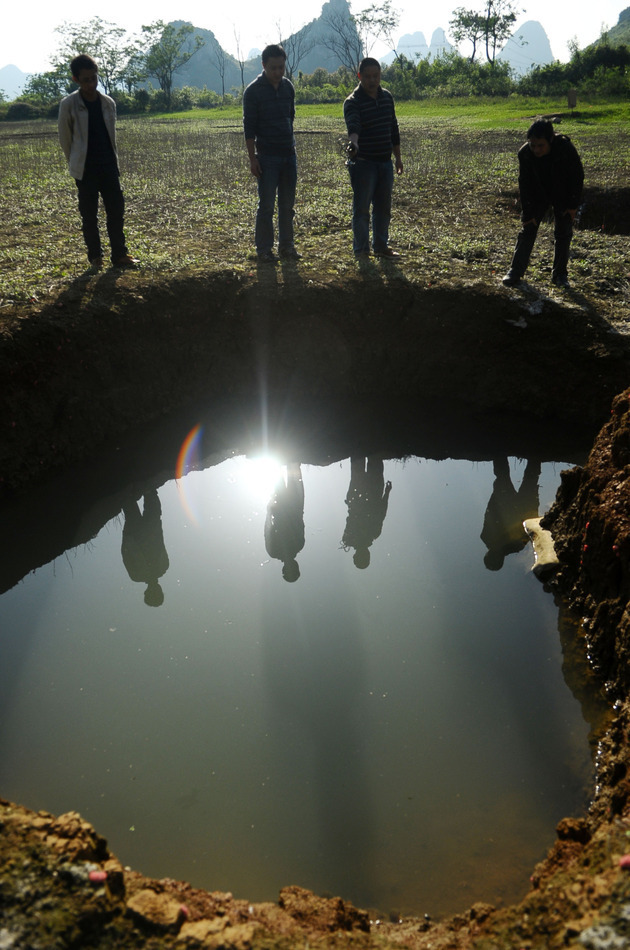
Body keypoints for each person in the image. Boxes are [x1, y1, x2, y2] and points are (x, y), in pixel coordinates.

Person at [58, 53, 137, 272]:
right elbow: (65, 140)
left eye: (94, 78)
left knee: (116, 211)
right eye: (86, 80)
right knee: (89, 215)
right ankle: (96, 257)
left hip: (109, 166)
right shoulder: (69, 105)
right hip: (85, 170)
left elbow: (111, 136)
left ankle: (119, 254)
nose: (91, 84)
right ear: (76, 80)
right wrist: (75, 164)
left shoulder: (108, 103)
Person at [502, 118, 584, 289]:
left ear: (551, 140)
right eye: (533, 145)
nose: (536, 149)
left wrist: (572, 205)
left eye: (541, 145)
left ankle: (560, 275)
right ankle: (515, 271)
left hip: (562, 193)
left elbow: (577, 176)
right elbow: (524, 183)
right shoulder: (525, 154)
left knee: (563, 232)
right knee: (528, 229)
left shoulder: (565, 149)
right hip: (538, 193)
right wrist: (527, 212)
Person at [243, 44, 300, 264]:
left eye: (281, 67)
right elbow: (249, 128)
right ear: (264, 65)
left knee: (287, 206)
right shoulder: (253, 91)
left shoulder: (288, 88)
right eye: (274, 68)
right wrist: (252, 159)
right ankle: (264, 251)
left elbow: (290, 118)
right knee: (266, 206)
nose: (278, 72)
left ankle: (287, 248)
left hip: (289, 155)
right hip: (267, 157)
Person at [343, 58, 403, 259]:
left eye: (375, 76)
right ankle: (361, 250)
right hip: (364, 164)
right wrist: (354, 144)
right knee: (361, 209)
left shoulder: (387, 97)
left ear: (380, 76)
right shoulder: (352, 102)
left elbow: (393, 128)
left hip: (385, 162)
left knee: (383, 208)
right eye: (367, 76)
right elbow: (354, 125)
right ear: (359, 76)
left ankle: (381, 246)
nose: (372, 80)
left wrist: (398, 158)